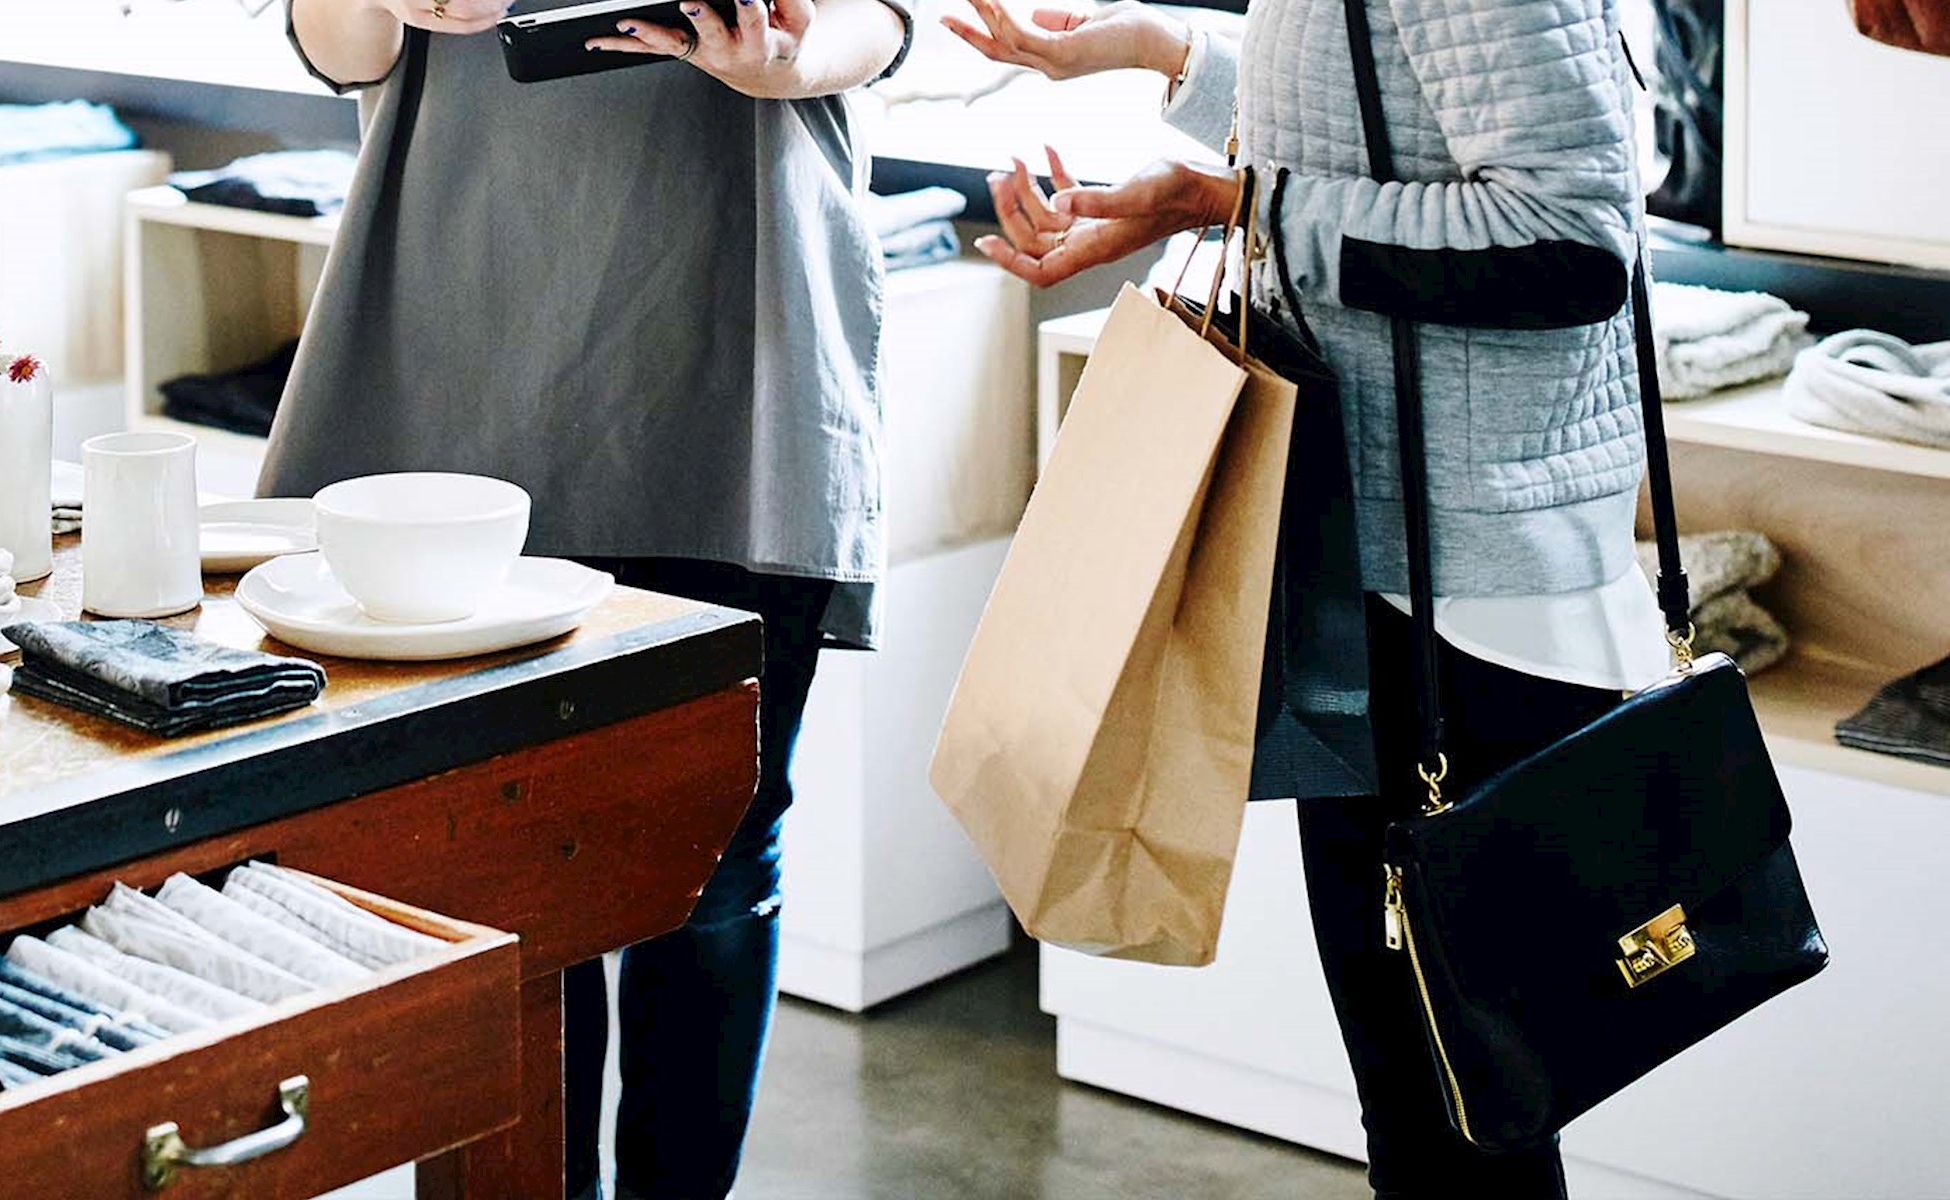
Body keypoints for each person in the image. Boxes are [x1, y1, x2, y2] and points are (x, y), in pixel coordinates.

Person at [944, 1, 1664, 1197]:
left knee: (1457, 1120)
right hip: (1397, 564)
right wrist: (1155, 52)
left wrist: (1229, 204)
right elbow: (1371, 126)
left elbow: (1570, 237)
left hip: (1465, 601)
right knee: (1432, 1106)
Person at [273, 1, 912, 1196]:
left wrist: (790, 58)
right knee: (502, 854)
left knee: (716, 839)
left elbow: (882, 19)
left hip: (738, 358)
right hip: (465, 348)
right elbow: (330, 44)